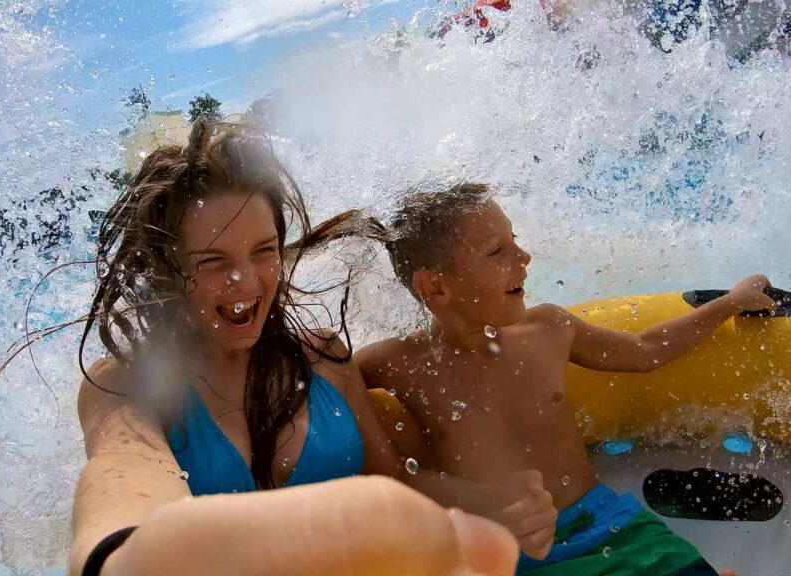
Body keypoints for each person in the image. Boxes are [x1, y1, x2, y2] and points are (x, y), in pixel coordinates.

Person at [66, 121, 521, 576]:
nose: (246, 281)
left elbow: (395, 476)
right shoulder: (124, 386)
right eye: (212, 262)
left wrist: (501, 504)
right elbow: (122, 476)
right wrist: (125, 556)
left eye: (263, 252)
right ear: (168, 270)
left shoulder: (323, 357)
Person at [357, 182, 772, 575]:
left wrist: (730, 303)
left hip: (609, 527)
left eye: (515, 240)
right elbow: (322, 380)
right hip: (510, 552)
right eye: (497, 251)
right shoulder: (401, 364)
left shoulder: (548, 330)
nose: (524, 257)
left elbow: (645, 351)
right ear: (435, 286)